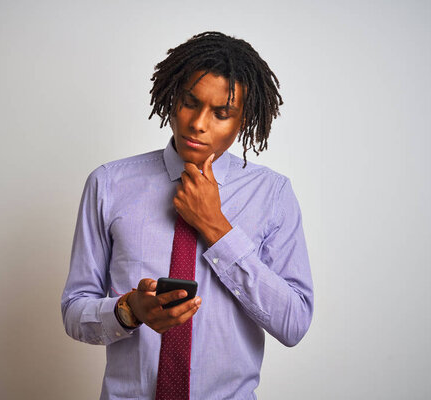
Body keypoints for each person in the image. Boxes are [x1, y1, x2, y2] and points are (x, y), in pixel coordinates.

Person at [61, 31, 314, 399]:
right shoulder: (109, 184)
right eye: (190, 103)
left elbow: (293, 323)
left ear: (243, 120)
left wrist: (217, 227)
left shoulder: (272, 195)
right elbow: (73, 311)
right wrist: (129, 310)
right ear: (171, 98)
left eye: (221, 113)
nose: (198, 123)